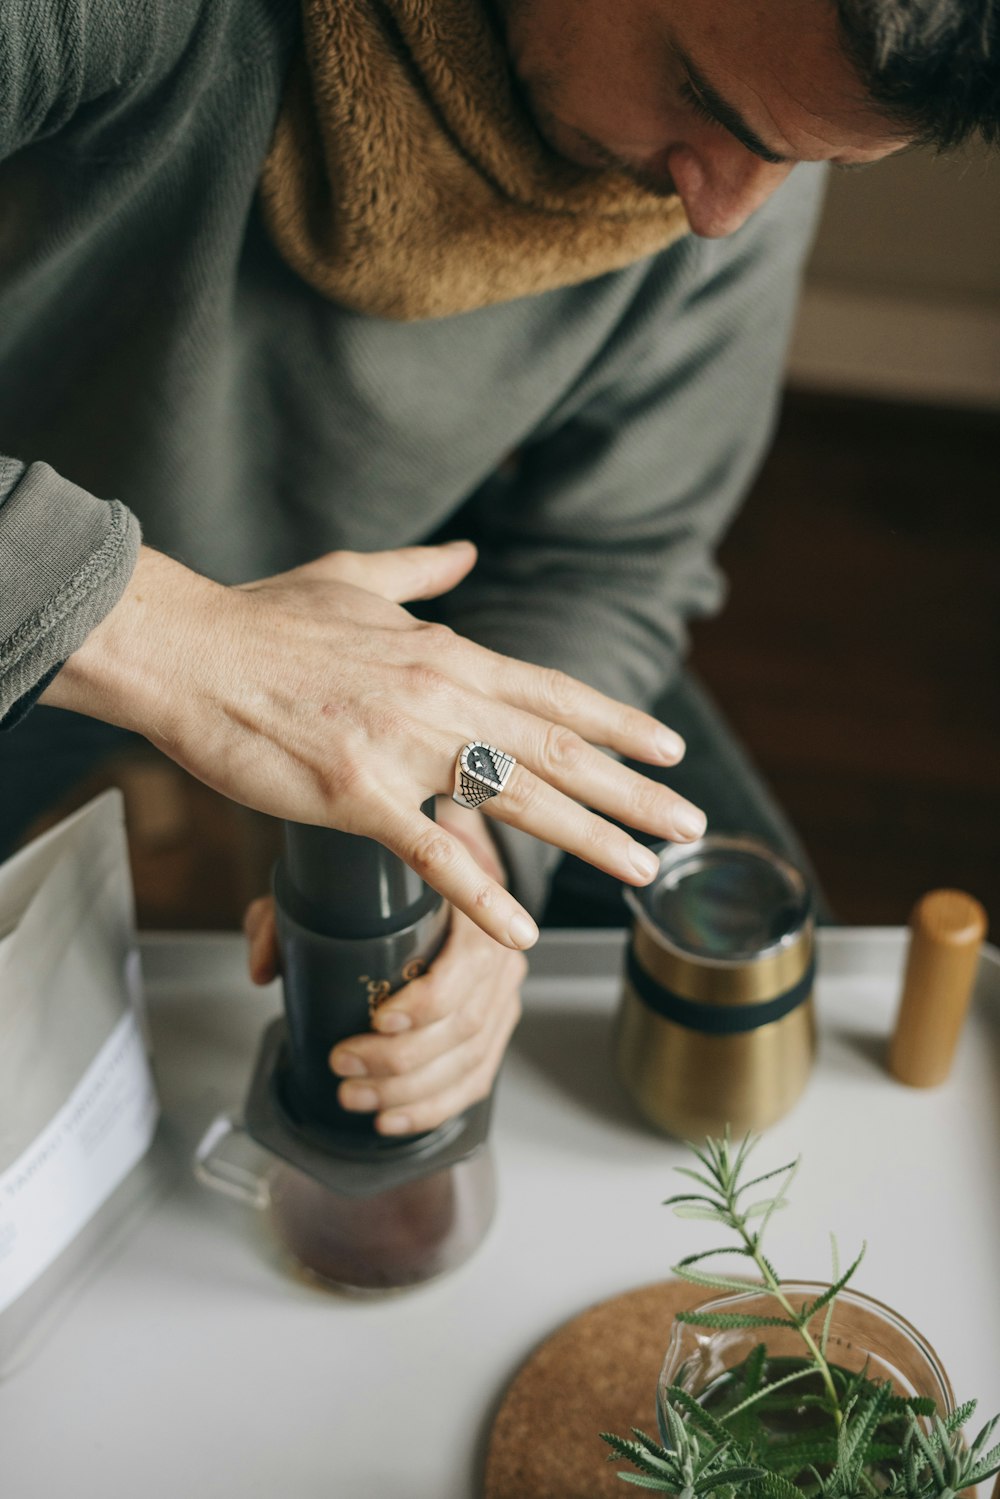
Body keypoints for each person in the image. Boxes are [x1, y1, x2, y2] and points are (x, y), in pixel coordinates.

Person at [1, 0, 995, 1137]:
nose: (722, 214)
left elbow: (609, 556)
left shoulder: (742, 141)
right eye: (698, 97)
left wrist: (476, 826)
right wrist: (159, 633)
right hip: (38, 584)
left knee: (731, 964)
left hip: (369, 614)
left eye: (804, 161)